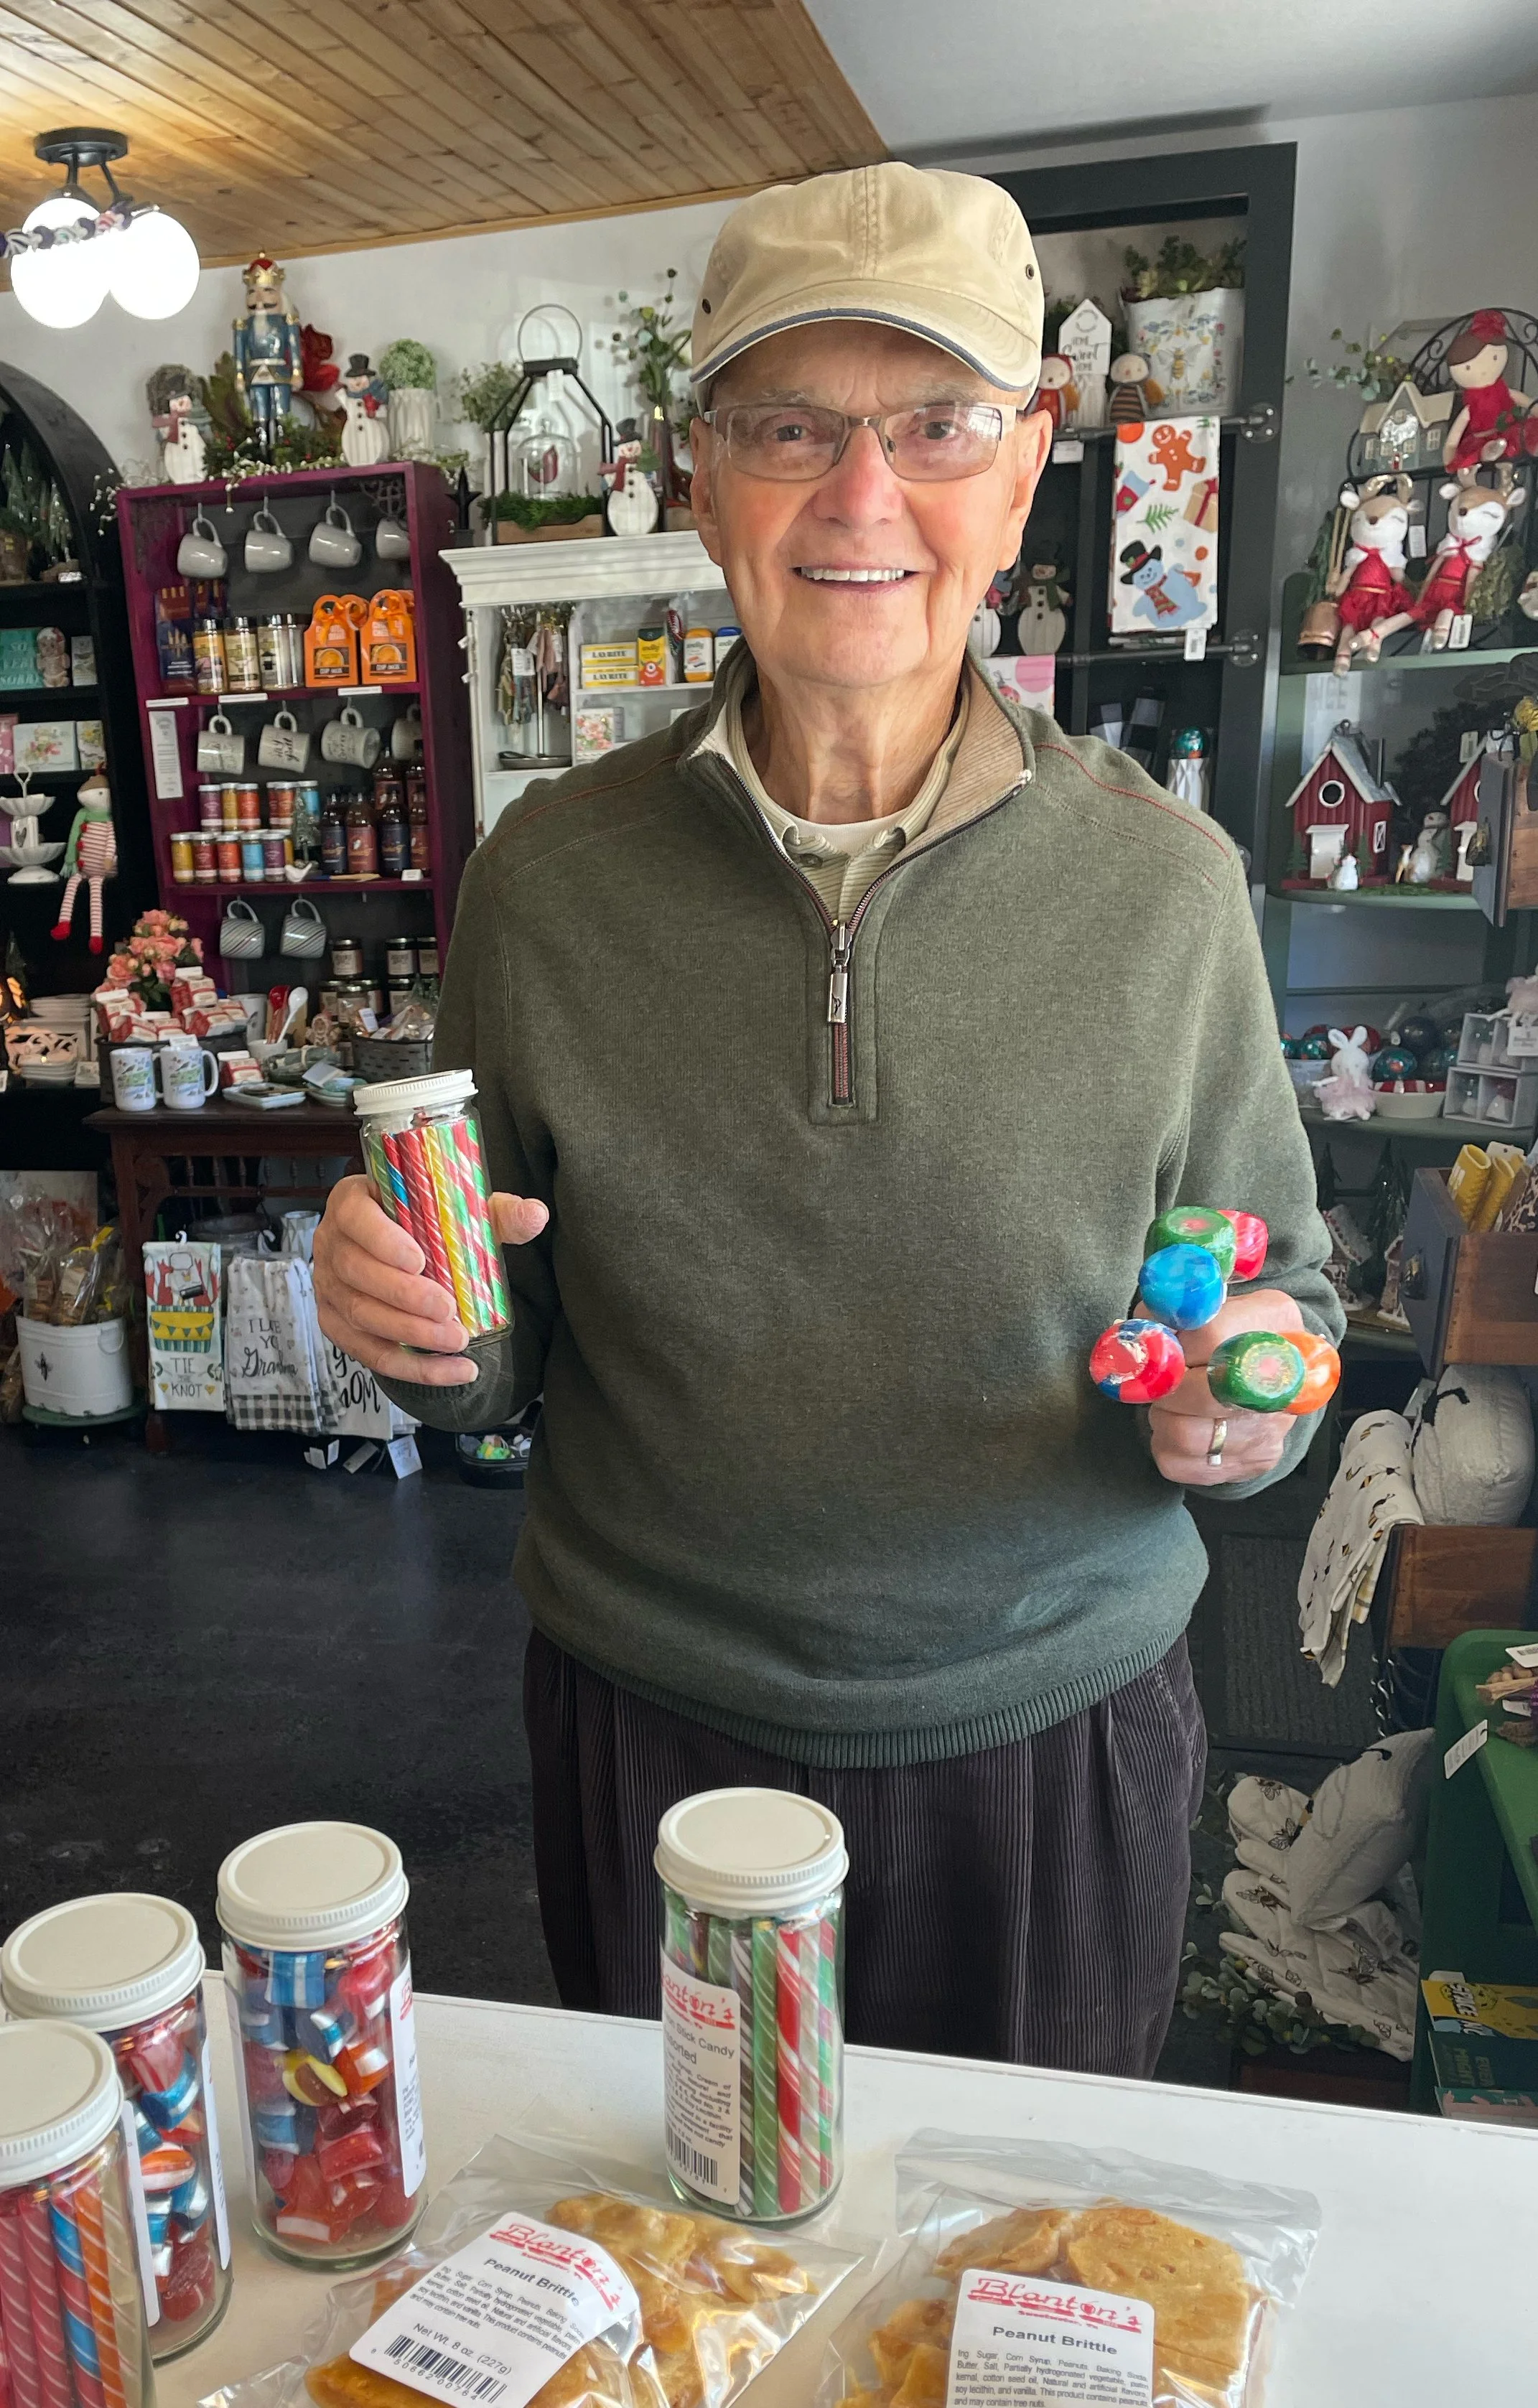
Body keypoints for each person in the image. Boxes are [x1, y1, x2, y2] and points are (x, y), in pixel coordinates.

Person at [314, 163, 1341, 2078]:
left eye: (937, 426)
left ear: (1023, 468)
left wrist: (1251, 1400)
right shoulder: (544, 883)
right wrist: (405, 1318)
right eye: (789, 427)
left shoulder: (1165, 887)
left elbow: (1284, 1299)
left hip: (1055, 1728)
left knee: (1029, 2233)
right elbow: (488, 1364)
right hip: (655, 1726)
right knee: (688, 2230)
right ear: (699, 479)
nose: (861, 497)